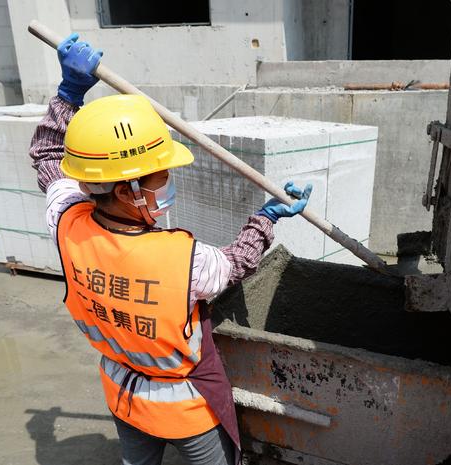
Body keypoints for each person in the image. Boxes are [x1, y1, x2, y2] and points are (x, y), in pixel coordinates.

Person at [29, 33, 312, 465]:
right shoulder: (186, 260)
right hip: (184, 410)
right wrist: (267, 218)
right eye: (161, 176)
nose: (169, 184)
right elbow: (236, 263)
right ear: (129, 192)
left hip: (121, 391)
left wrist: (68, 93)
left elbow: (48, 155)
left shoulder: (66, 222)